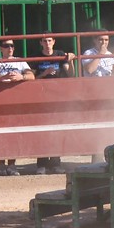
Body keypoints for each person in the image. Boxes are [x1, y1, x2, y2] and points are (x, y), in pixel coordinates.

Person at [0, 39, 35, 176]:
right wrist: (2, 77)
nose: (10, 48)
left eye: (12, 45)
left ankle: (11, 165)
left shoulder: (20, 61)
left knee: (14, 132)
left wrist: (21, 76)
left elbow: (31, 75)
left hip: (16, 101)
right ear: (1, 48)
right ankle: (1, 165)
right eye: (6, 46)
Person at [29, 33, 74, 174]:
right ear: (41, 43)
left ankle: (55, 162)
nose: (47, 43)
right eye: (44, 41)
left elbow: (71, 74)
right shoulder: (36, 57)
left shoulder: (60, 54)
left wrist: (71, 61)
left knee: (57, 129)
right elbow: (32, 78)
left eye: (49, 40)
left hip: (57, 96)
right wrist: (44, 74)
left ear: (53, 42)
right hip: (41, 96)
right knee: (41, 129)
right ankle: (42, 163)